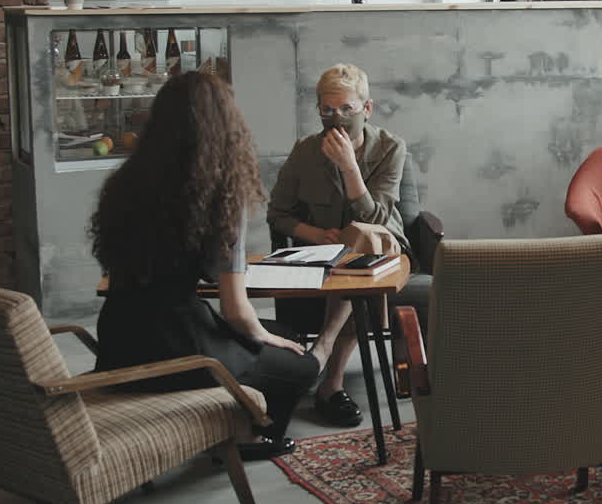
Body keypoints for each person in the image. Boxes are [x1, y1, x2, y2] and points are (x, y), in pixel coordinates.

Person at [91, 69, 321, 460]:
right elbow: (236, 312)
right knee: (302, 364)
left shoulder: (126, 182)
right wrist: (265, 339)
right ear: (225, 127)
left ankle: (233, 427)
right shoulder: (219, 195)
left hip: (119, 339)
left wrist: (265, 335)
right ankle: (245, 438)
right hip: (179, 350)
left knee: (279, 331)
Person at [267, 63, 408, 427]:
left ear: (367, 109)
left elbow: (377, 219)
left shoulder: (390, 148)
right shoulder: (305, 153)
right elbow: (278, 214)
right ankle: (328, 385)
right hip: (327, 254)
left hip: (384, 251)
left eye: (347, 109)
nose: (338, 118)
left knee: (362, 236)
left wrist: (349, 168)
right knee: (351, 247)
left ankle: (326, 356)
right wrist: (315, 235)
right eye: (328, 110)